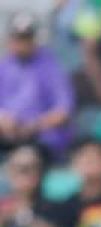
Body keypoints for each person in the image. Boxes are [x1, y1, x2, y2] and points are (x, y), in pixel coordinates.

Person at [0, 13, 74, 159]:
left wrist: (34, 126)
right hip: (7, 134)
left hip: (41, 137)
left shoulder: (51, 66)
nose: (21, 43)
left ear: (34, 39)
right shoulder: (4, 66)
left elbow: (64, 110)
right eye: (18, 38)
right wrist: (4, 120)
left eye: (26, 38)